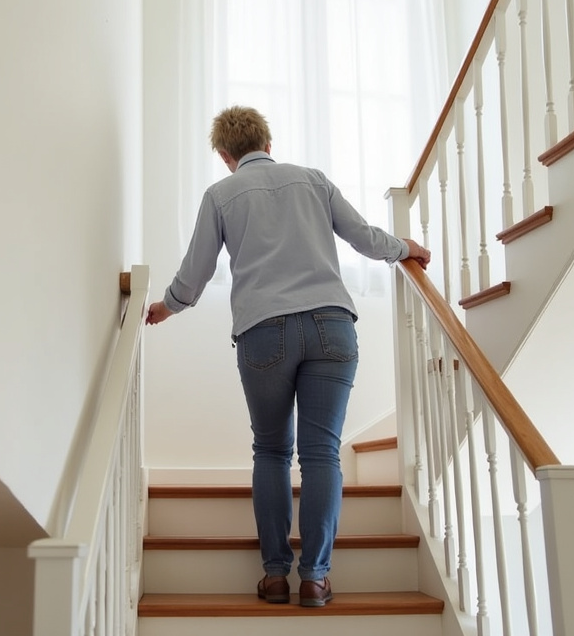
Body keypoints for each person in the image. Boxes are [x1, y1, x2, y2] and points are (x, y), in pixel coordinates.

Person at [146, 105, 430, 608]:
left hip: (263, 332)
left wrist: (167, 308)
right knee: (322, 453)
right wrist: (404, 248)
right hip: (331, 326)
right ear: (268, 143)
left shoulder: (221, 194)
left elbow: (196, 273)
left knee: (272, 451)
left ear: (225, 155)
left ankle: (275, 574)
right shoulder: (313, 180)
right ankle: (315, 578)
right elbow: (364, 238)